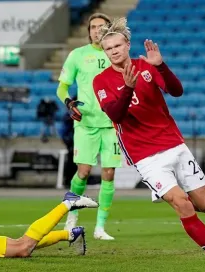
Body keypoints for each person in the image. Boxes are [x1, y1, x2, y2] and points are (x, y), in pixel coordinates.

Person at [92, 18, 205, 272]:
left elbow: (177, 90)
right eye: (108, 48)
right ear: (105, 52)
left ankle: (165, 189)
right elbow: (115, 115)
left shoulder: (146, 66)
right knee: (182, 203)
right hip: (145, 156)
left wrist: (162, 66)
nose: (114, 51)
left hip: (173, 144)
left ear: (128, 44)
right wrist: (127, 88)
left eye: (118, 45)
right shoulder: (101, 81)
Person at [57, 13, 121, 240]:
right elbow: (62, 88)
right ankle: (71, 216)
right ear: (89, 31)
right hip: (85, 124)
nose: (96, 30)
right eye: (93, 27)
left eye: (101, 27)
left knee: (109, 173)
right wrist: (68, 103)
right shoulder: (78, 55)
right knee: (83, 173)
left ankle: (100, 227)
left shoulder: (117, 54)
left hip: (112, 123)